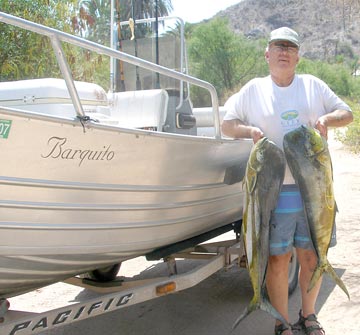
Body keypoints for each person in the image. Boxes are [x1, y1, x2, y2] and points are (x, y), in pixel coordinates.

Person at [221, 27, 353, 335]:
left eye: (290, 48)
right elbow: (227, 125)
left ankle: (309, 316)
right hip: (273, 192)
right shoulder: (253, 89)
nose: (284, 52)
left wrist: (325, 120)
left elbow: (346, 113)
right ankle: (282, 322)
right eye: (278, 47)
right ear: (267, 54)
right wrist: (250, 132)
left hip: (315, 192)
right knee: (278, 260)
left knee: (312, 257)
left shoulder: (312, 86)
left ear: (297, 56)